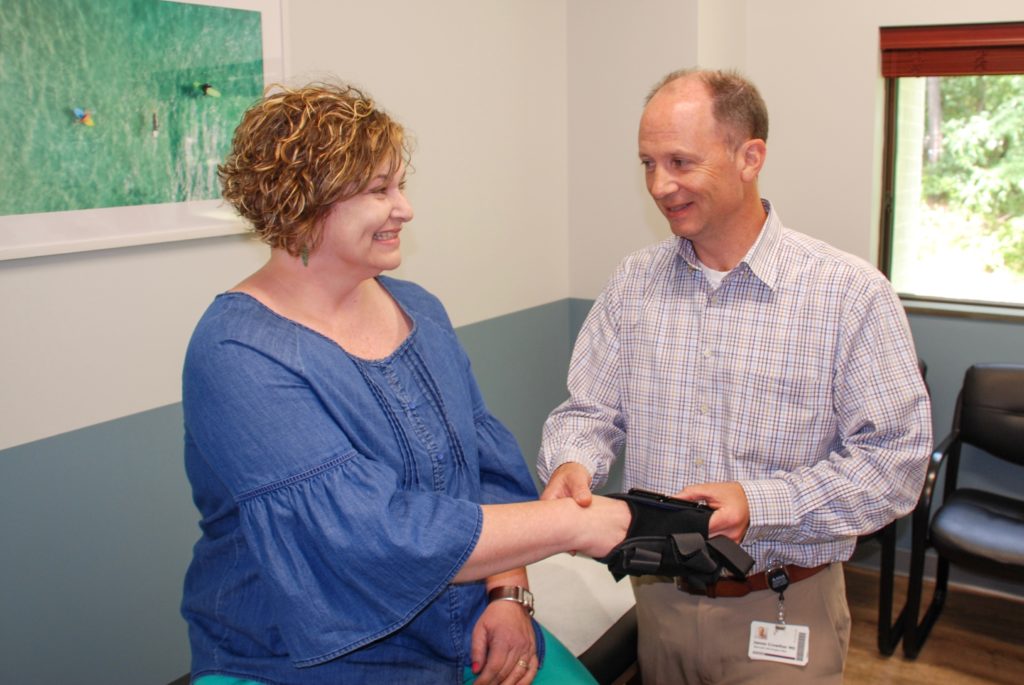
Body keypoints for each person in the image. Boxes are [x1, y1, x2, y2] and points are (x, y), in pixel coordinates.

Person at [180, 83, 632, 685]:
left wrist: (508, 594)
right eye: (379, 191)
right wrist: (576, 524)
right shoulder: (237, 353)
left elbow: (487, 472)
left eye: (401, 185)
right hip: (306, 663)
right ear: (305, 205)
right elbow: (371, 537)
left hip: (463, 626)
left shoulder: (419, 311)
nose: (405, 208)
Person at [537, 68, 932, 684]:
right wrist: (572, 463)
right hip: (659, 601)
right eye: (647, 163)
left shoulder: (849, 294)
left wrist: (761, 501)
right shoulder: (632, 284)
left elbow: (894, 466)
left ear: (750, 158)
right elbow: (588, 412)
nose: (660, 186)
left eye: (680, 162)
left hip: (782, 607)